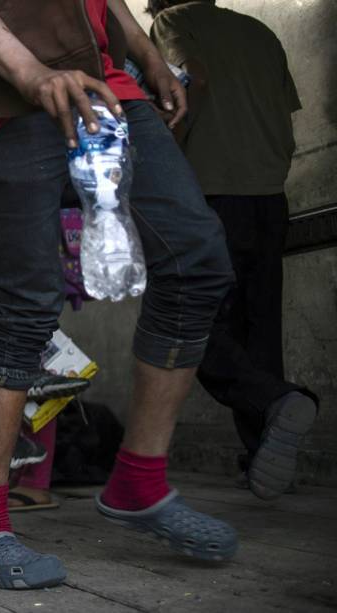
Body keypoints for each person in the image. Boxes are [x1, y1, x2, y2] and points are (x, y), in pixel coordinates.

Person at [0, 0, 237, 589]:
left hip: (108, 92)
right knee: (25, 302)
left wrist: (146, 54)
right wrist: (30, 71)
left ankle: (139, 478)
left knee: (196, 260)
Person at [148, 0, 318, 500]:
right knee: (260, 331)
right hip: (269, 196)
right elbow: (284, 112)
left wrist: (167, 156)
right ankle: (262, 454)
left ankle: (277, 400)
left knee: (185, 326)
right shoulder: (259, 32)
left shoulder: (173, 22)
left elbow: (191, 77)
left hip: (210, 194)